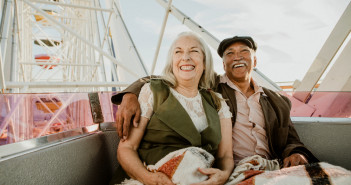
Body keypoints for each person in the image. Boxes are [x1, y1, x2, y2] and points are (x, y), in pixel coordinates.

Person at [112, 35, 319, 169]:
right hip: (237, 169)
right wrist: (130, 94)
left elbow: (292, 140)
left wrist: (296, 153)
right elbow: (169, 77)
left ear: (255, 61)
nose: (237, 57)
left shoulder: (278, 101)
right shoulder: (213, 89)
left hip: (272, 166)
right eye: (230, 53)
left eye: (244, 51)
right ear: (222, 64)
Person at [111, 32, 234, 185]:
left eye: (194, 51)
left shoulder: (218, 102)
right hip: (150, 178)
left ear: (204, 61)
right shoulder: (153, 92)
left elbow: (225, 157)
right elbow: (126, 148)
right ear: (172, 61)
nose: (185, 57)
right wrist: (148, 178)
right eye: (178, 52)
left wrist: (224, 174)